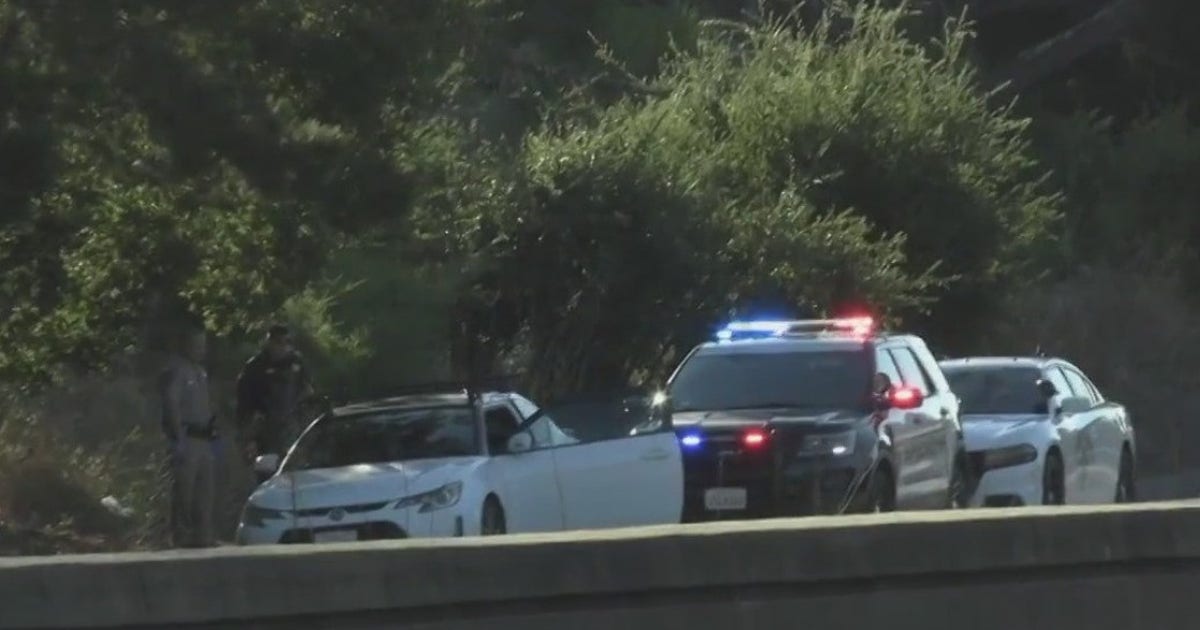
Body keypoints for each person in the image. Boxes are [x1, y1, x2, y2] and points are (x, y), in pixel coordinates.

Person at [160, 324, 218, 548]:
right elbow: (171, 403)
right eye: (196, 345)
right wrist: (178, 438)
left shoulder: (200, 371)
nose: (201, 349)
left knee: (205, 491)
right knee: (184, 490)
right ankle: (181, 536)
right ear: (185, 345)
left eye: (203, 345)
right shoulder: (177, 370)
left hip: (205, 439)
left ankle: (203, 535)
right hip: (187, 437)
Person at [235, 324, 315, 461]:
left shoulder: (296, 362)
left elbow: (308, 391)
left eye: (287, 342)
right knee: (266, 466)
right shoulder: (255, 366)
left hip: (291, 425)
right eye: (278, 342)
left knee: (292, 465)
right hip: (264, 427)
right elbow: (244, 403)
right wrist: (249, 438)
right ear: (269, 342)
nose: (283, 346)